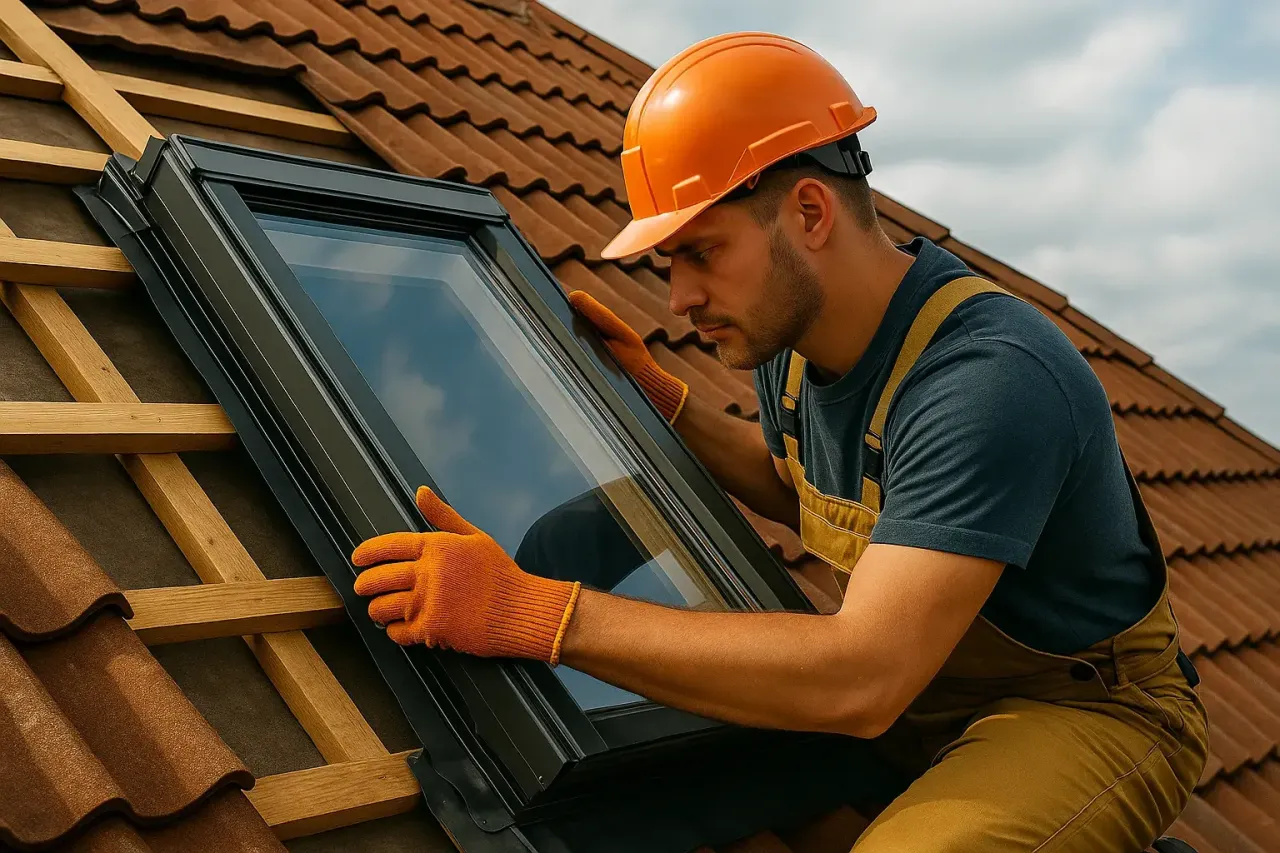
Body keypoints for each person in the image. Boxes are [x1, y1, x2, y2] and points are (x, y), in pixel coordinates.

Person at [349, 32, 1207, 851]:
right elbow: (806, 487)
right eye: (671, 263)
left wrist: (528, 613)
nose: (680, 297)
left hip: (1080, 710)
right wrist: (672, 409)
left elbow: (861, 676)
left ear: (808, 211)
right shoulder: (796, 348)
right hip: (923, 692)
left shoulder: (989, 378)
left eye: (703, 253)